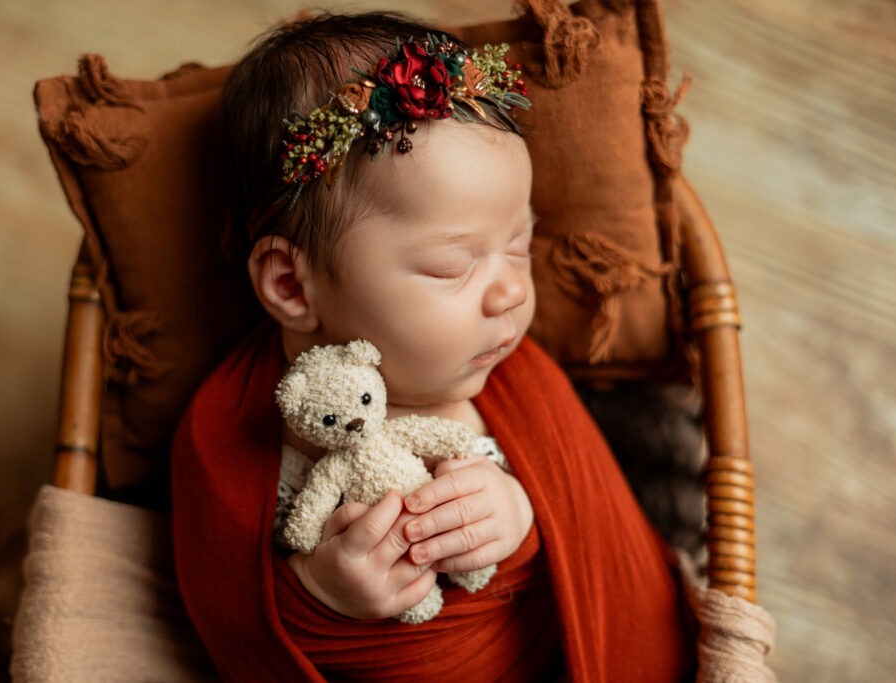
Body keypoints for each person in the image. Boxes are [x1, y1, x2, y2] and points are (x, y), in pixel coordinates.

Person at [172, 11, 695, 682]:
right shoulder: (233, 433)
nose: (509, 292)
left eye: (518, 246)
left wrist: (519, 524)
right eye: (454, 267)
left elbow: (597, 553)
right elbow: (231, 618)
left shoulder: (518, 381)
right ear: (290, 285)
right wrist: (321, 597)